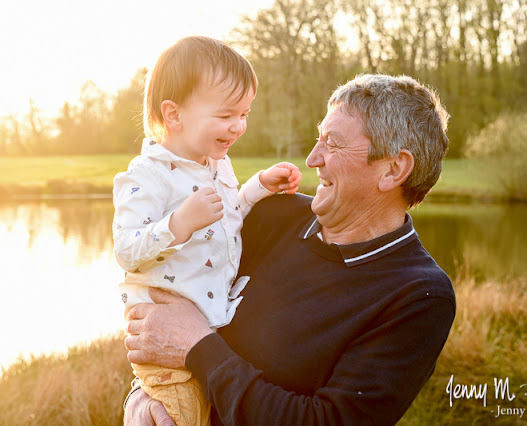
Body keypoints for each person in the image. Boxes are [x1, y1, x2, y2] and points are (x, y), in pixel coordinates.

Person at [124, 73, 455, 425]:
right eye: (318, 138)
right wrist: (141, 400)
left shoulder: (419, 296)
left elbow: (324, 421)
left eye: (333, 143)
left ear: (393, 169)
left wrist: (197, 348)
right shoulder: (270, 214)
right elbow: (166, 308)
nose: (313, 158)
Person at [112, 36, 301, 426]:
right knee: (181, 418)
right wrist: (178, 224)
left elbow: (228, 216)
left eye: (245, 114)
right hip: (164, 341)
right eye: (226, 115)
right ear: (174, 115)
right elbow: (126, 250)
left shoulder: (218, 164)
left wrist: (258, 187)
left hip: (209, 332)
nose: (239, 126)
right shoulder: (146, 176)